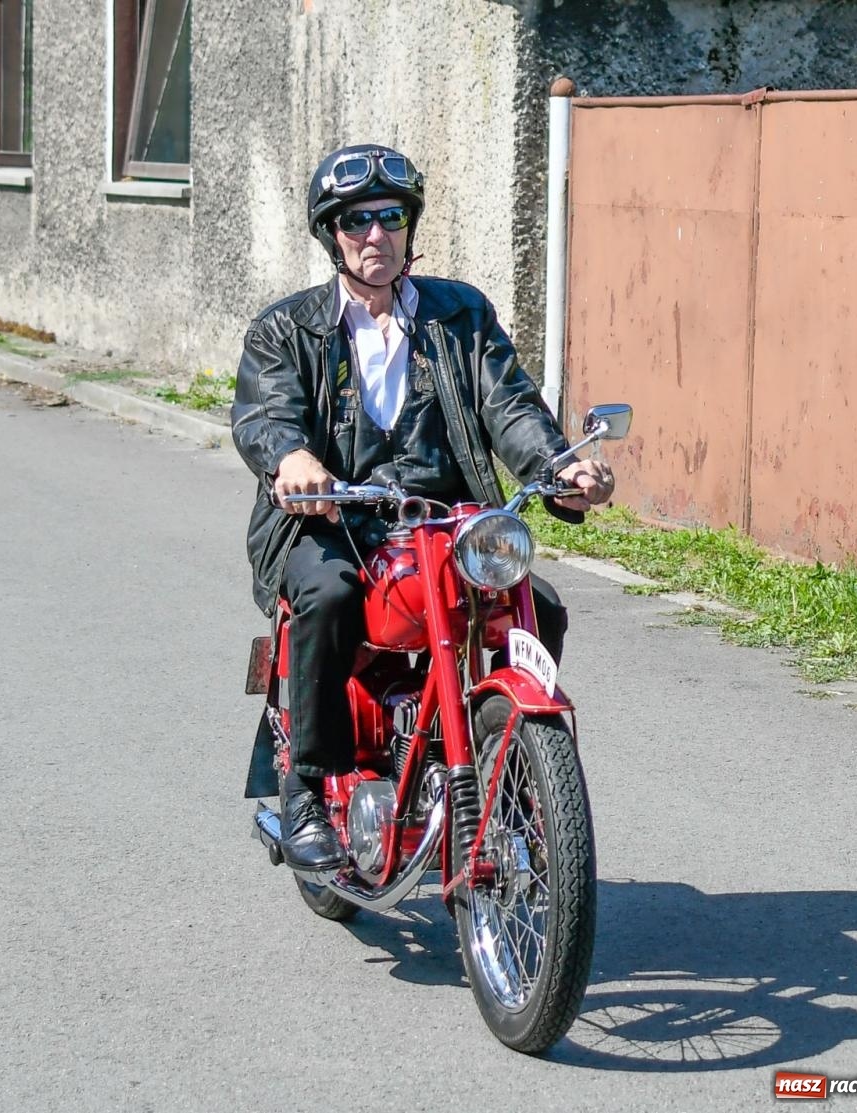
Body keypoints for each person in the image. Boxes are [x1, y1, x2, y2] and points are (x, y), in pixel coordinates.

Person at [230, 144, 616, 871]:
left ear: (409, 225)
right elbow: (264, 414)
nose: (375, 234)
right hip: (332, 519)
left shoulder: (460, 314)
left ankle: (495, 753)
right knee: (330, 594)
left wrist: (563, 467)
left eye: (390, 217)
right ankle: (307, 788)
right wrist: (294, 460)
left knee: (543, 606)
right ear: (331, 233)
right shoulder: (286, 328)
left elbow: (511, 406)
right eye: (356, 221)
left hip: (443, 521)